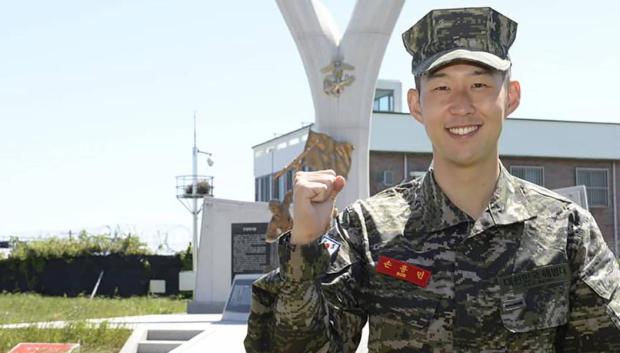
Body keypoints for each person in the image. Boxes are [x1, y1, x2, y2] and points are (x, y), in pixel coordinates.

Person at [244, 7, 620, 353]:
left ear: (512, 96)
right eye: (441, 87)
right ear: (416, 104)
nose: (461, 104)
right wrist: (304, 246)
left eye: (479, 85)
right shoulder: (368, 230)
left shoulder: (566, 230)